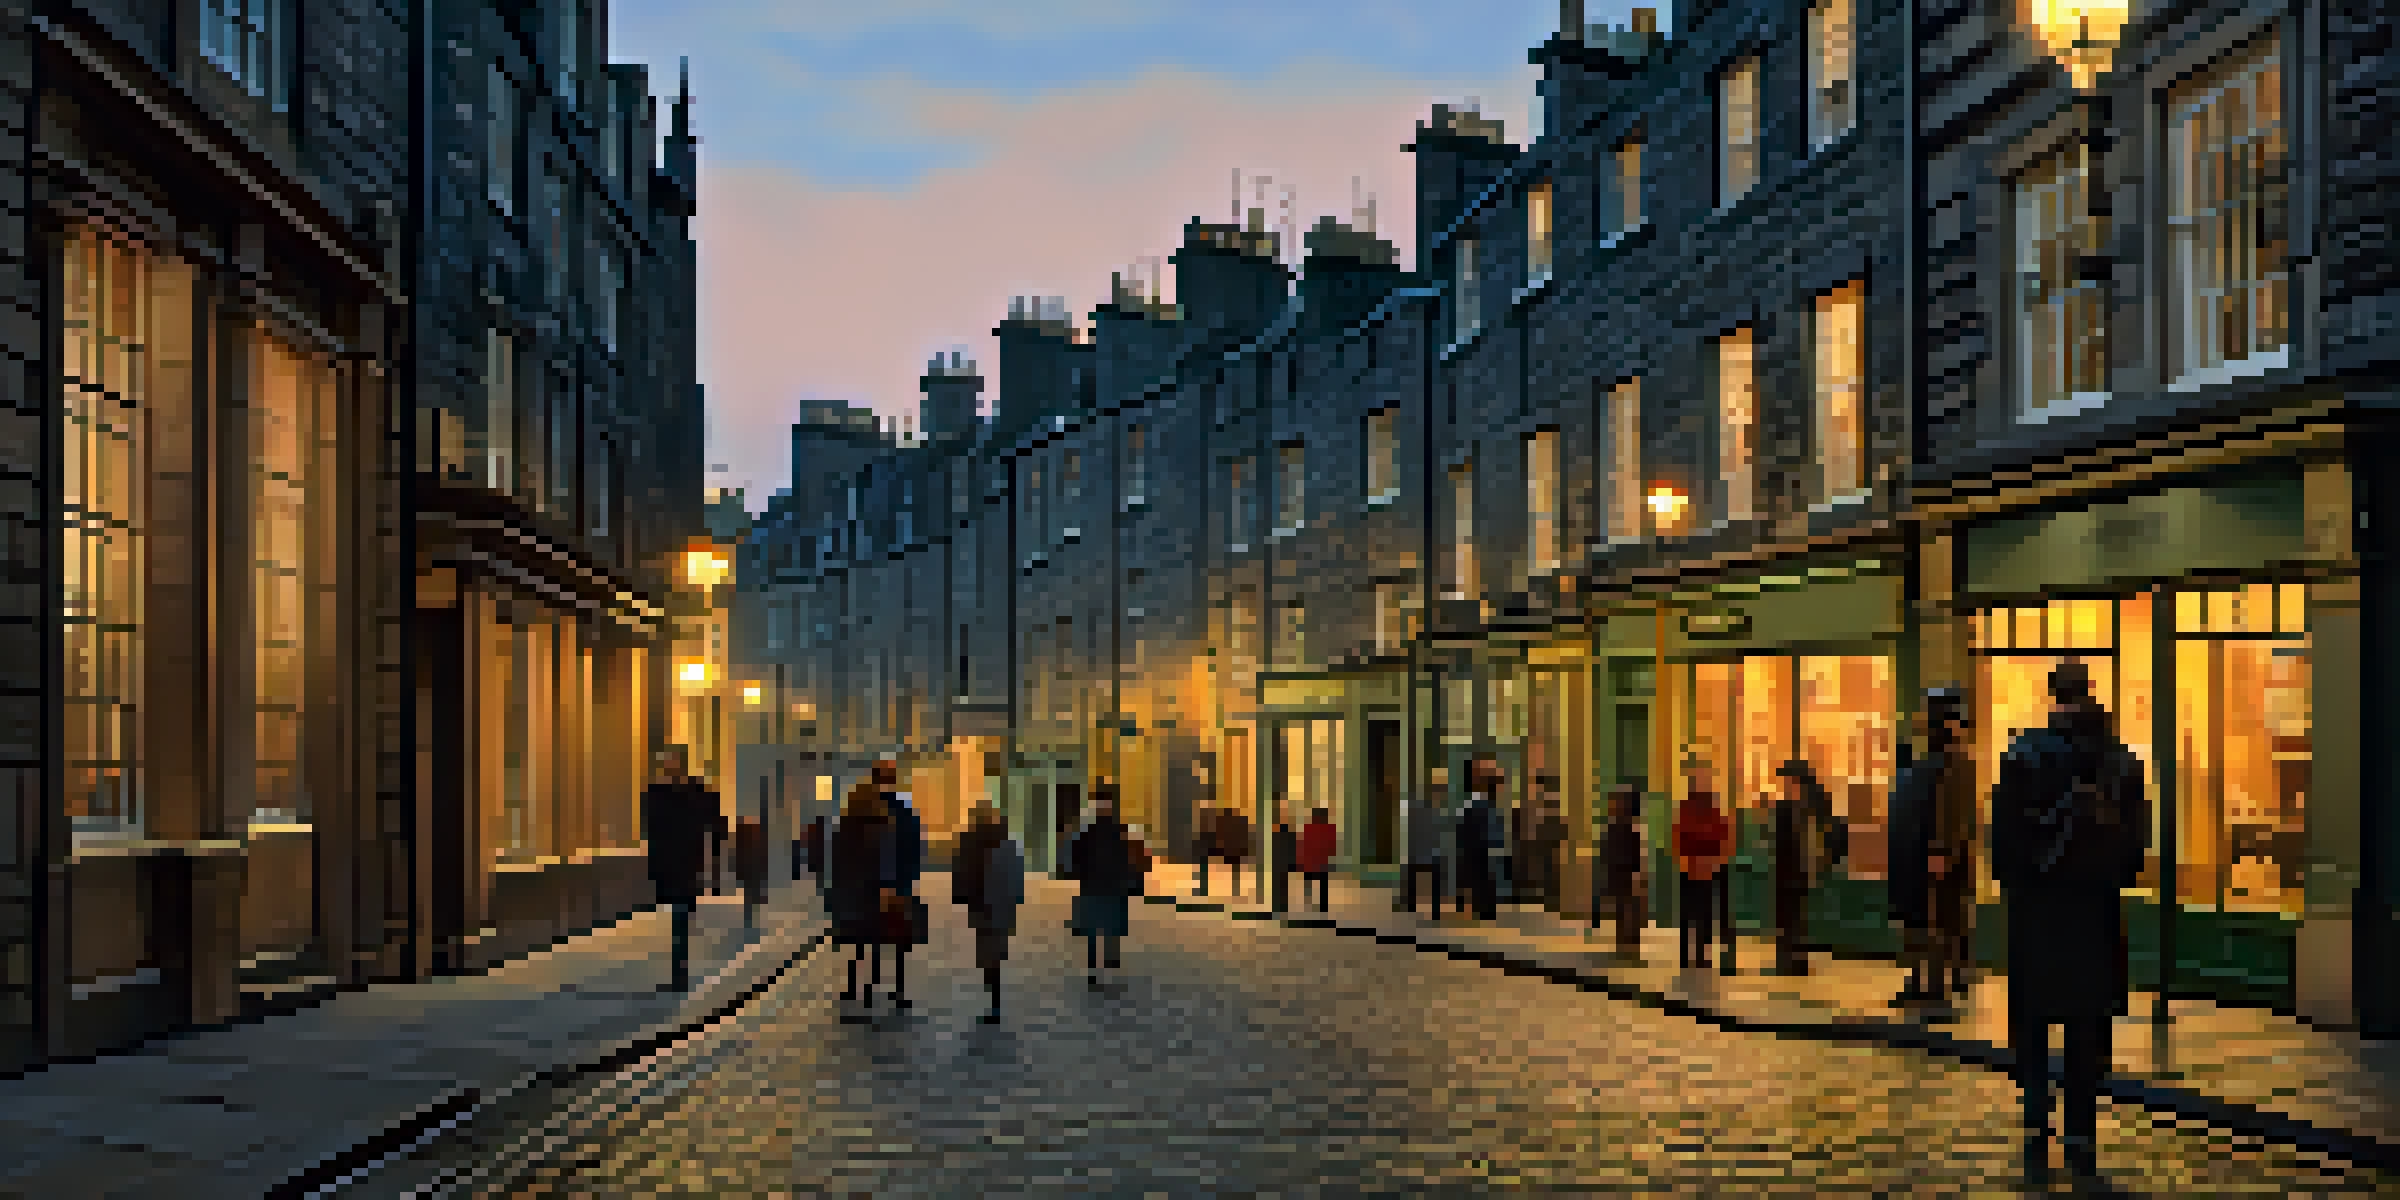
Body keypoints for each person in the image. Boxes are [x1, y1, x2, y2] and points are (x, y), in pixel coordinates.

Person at [1991, 661, 2149, 1187]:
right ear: (2090, 696)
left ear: (2052, 696)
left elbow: (2002, 850)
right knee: (2088, 1025)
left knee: (2033, 1020)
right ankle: (2080, 1128)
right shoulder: (2122, 762)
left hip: (2035, 913)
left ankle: (2036, 1115)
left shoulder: (2021, 756)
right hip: (2094, 912)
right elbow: (2133, 856)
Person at [1890, 687, 1976, 1012]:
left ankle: (1937, 987)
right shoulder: (1925, 761)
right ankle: (1919, 983)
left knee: (1938, 923)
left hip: (1935, 855)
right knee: (1918, 922)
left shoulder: (1955, 763)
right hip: (1913, 851)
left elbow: (1954, 813)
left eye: (1926, 718)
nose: (1920, 724)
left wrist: (1942, 850)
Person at [641, 746, 719, 993]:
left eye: (670, 760)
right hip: (672, 865)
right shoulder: (658, 792)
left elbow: (714, 828)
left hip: (687, 865)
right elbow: (650, 828)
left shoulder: (695, 791)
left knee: (681, 918)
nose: (666, 765)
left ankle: (680, 974)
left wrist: (713, 865)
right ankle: (679, 973)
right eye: (664, 761)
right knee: (680, 917)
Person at [828, 780, 904, 1010]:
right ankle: (870, 990)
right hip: (873, 892)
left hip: (851, 894)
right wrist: (888, 889)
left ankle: (852, 988)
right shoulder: (882, 825)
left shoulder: (844, 827)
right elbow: (888, 862)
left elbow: (836, 864)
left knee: (856, 945)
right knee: (874, 946)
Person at [952, 802, 1026, 1023]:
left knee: (987, 950)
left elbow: (960, 871)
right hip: (1001, 902)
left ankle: (993, 998)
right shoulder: (1007, 839)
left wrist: (961, 897)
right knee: (996, 947)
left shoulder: (968, 840)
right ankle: (995, 999)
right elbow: (1016, 872)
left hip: (981, 903)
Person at [1770, 759, 1844, 976]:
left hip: (1798, 868)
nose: (1784, 785)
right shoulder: (1791, 806)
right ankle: (1789, 960)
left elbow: (1822, 837)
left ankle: (1794, 960)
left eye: (1787, 780)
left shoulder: (1809, 807)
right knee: (1789, 917)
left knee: (1794, 916)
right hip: (1790, 868)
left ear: (1798, 782)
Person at [1067, 785, 1140, 988]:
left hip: (1095, 884)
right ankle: (1104, 960)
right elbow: (1127, 857)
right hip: (1109, 884)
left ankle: (1096, 965)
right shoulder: (1117, 829)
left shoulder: (1089, 830)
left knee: (1095, 927)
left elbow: (1076, 856)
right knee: (1108, 924)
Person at [873, 761, 928, 1003]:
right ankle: (897, 987)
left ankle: (870, 985)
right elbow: (915, 845)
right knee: (898, 938)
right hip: (898, 882)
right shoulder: (903, 805)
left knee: (872, 936)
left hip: (875, 883)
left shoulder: (866, 807)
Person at [1673, 762, 1734, 972]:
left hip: (1706, 868)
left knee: (1704, 915)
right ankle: (1687, 954)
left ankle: (1701, 955)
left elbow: (1724, 835)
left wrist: (1718, 859)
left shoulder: (1712, 807)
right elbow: (1678, 836)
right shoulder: (1687, 807)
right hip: (1691, 867)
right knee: (1690, 914)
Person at [1594, 783, 1647, 962]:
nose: (1613, 803)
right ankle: (1625, 947)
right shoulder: (1618, 825)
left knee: (1628, 912)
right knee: (1623, 912)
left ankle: (1629, 948)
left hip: (1626, 873)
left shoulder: (1629, 826)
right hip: (1620, 873)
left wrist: (1638, 874)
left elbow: (1635, 853)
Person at [1455, 759, 1502, 921]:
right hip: (1477, 846)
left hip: (1482, 845)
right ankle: (1482, 907)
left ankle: (1485, 908)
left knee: (1484, 877)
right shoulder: (1472, 802)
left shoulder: (1488, 802)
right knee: (1479, 877)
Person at [1399, 781, 1446, 918]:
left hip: (1429, 850)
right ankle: (1408, 903)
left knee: (1431, 878)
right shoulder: (1425, 810)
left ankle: (1415, 904)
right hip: (1422, 849)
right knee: (1414, 875)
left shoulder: (1436, 810)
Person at [1530, 789, 1569, 909]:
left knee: (1551, 873)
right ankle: (1548, 898)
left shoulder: (1554, 818)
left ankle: (1550, 899)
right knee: (1548, 873)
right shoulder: (1546, 818)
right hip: (1547, 849)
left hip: (1551, 849)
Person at [733, 813, 769, 930]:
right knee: (754, 897)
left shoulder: (745, 837)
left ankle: (752, 922)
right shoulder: (755, 836)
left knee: (753, 898)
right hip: (753, 872)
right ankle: (754, 922)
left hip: (752, 872)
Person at [1298, 807, 1337, 913]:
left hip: (1310, 859)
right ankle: (1323, 906)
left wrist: (1301, 858)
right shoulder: (1330, 828)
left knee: (1309, 882)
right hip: (1322, 860)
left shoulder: (1308, 827)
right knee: (1323, 883)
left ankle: (1307, 904)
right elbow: (1332, 845)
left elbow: (1303, 844)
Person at [1217, 805, 1252, 899]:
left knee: (1233, 870)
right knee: (1233, 870)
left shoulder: (1228, 822)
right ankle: (1234, 889)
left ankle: (1233, 889)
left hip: (1233, 849)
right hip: (1234, 849)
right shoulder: (1239, 821)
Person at [1270, 819, 1298, 912]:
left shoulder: (1275, 836)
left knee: (1279, 886)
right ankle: (1281, 906)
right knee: (1282, 886)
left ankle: (1279, 907)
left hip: (1278, 865)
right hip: (1282, 865)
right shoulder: (1290, 836)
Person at [1193, 805, 1219, 896]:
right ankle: (1202, 889)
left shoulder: (1209, 822)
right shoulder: (1204, 822)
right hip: (1203, 847)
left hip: (1205, 846)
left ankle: (1202, 889)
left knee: (1203, 869)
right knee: (1202, 869)